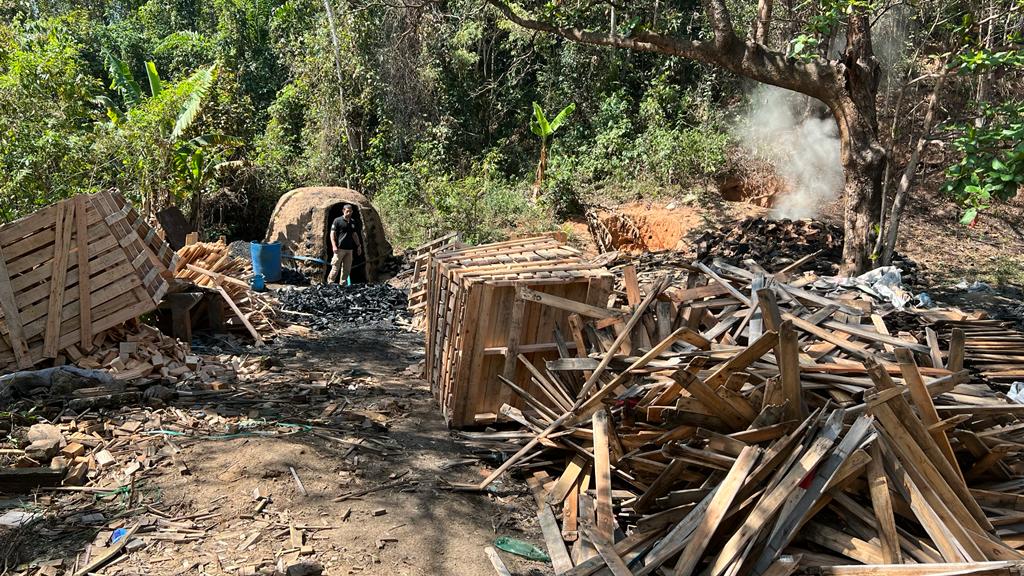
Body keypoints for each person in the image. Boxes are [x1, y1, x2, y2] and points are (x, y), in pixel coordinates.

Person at [328, 204, 363, 284]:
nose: (349, 213)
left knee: (347, 269)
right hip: (339, 249)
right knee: (335, 268)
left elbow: (354, 235)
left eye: (350, 211)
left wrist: (358, 245)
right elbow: (332, 234)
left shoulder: (352, 222)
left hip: (349, 249)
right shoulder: (337, 220)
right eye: (347, 211)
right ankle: (330, 283)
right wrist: (334, 246)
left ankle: (342, 284)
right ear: (343, 211)